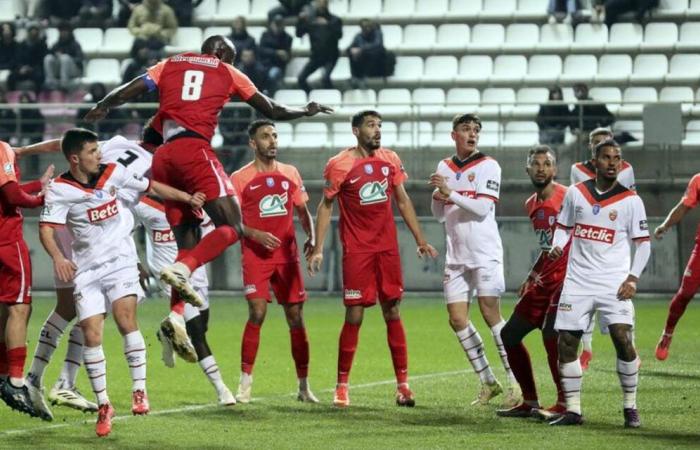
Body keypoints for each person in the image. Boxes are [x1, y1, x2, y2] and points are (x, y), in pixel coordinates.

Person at [83, 35, 332, 313]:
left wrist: (104, 104)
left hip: (163, 159)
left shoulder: (171, 63)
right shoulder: (226, 70)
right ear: (223, 54)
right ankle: (182, 270)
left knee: (186, 243)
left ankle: (176, 317)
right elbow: (272, 108)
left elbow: (132, 88)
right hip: (194, 151)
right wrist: (305, 111)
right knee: (232, 226)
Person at [38, 128, 205, 437]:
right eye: (91, 152)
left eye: (97, 150)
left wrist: (187, 197)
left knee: (125, 318)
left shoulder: (113, 172)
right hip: (87, 269)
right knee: (91, 333)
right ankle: (104, 405)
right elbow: (47, 229)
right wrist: (59, 258)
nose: (98, 155)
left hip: (121, 262)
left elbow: (152, 186)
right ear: (75, 158)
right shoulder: (60, 190)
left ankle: (139, 391)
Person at [307, 110, 438, 407]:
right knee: (354, 314)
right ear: (355, 131)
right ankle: (342, 385)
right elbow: (326, 205)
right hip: (358, 250)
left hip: (387, 249)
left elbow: (402, 199)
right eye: (370, 125)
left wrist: (419, 239)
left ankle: (403, 385)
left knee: (392, 310)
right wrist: (317, 247)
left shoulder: (390, 158)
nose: (377, 130)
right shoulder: (339, 164)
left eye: (380, 125)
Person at [548, 139, 650, 427]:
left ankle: (630, 406)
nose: (613, 162)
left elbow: (643, 245)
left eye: (617, 157)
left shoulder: (631, 200)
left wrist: (632, 277)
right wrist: (558, 244)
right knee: (567, 344)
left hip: (613, 282)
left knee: (622, 338)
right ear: (594, 162)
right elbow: (564, 227)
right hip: (578, 281)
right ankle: (574, 411)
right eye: (607, 157)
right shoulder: (576, 193)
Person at [429, 113, 521, 407]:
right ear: (453, 134)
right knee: (457, 319)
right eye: (466, 129)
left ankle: (516, 382)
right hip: (456, 256)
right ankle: (488, 382)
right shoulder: (445, 166)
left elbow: (482, 209)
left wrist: (450, 193)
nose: (472, 134)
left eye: (476, 130)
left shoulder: (489, 165)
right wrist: (437, 196)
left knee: (490, 313)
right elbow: (439, 215)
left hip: (484, 253)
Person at [231, 119, 318, 404]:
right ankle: (245, 384)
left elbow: (303, 209)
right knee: (257, 312)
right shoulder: (239, 178)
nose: (272, 141)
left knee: (296, 317)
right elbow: (231, 220)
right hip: (256, 256)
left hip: (287, 257)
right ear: (253, 144)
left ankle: (304, 387)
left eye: (275, 135)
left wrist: (312, 237)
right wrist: (254, 233)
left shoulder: (290, 172)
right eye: (266, 136)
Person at [495, 146, 567, 420]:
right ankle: (530, 401)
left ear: (554, 169)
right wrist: (531, 276)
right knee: (509, 334)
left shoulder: (569, 197)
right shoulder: (531, 204)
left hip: (567, 281)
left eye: (546, 163)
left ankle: (563, 403)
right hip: (545, 281)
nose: (540, 168)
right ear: (527, 169)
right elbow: (547, 246)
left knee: (552, 336)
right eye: (535, 164)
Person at [570, 126, 636, 370]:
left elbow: (631, 198)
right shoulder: (577, 169)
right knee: (583, 296)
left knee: (621, 293)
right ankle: (586, 349)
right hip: (587, 238)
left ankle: (631, 343)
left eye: (606, 141)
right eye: (596, 142)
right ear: (591, 147)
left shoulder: (626, 169)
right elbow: (575, 199)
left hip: (614, 236)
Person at [0, 139, 54, 420]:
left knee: (4, 310)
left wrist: (37, 184)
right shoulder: (0, 148)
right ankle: (16, 381)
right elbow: (11, 196)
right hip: (6, 241)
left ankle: (1, 374)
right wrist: (41, 198)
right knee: (20, 307)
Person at [653, 172, 700, 361]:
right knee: (685, 293)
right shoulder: (698, 180)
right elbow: (684, 206)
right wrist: (665, 225)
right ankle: (667, 334)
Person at [295, 0, 342, 93]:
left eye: (323, 2)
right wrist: (300, 21)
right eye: (318, 2)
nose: (320, 5)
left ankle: (332, 97)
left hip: (330, 56)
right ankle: (313, 96)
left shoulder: (335, 20)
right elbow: (299, 34)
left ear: (327, 4)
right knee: (301, 79)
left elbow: (339, 35)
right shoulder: (311, 20)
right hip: (316, 56)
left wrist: (327, 25)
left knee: (325, 78)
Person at [43, 21, 84, 92]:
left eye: (65, 31)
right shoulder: (56, 44)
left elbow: (79, 59)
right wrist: (56, 56)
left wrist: (65, 56)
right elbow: (50, 54)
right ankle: (50, 82)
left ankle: (64, 84)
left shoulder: (75, 44)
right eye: (61, 31)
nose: (63, 33)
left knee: (65, 58)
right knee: (48, 58)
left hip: (74, 70)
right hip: (59, 69)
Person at [258, 15, 292, 96]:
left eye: (280, 25)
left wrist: (285, 56)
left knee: (272, 74)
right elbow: (261, 50)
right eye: (276, 24)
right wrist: (276, 53)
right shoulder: (265, 35)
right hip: (263, 64)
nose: (277, 27)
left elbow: (287, 56)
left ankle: (269, 96)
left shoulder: (287, 38)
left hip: (277, 66)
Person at [8, 22, 47, 92]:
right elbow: (17, 59)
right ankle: (12, 96)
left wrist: (32, 69)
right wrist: (21, 67)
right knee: (11, 76)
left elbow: (42, 61)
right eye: (31, 30)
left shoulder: (42, 45)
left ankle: (37, 97)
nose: (33, 33)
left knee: (40, 77)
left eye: (35, 31)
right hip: (22, 69)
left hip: (34, 70)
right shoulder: (21, 45)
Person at [346, 19, 386, 88]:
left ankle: (363, 77)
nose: (367, 28)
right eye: (364, 27)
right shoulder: (358, 36)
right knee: (353, 53)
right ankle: (355, 77)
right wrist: (351, 50)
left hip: (376, 61)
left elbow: (378, 45)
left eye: (368, 26)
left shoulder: (377, 33)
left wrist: (361, 49)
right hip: (362, 60)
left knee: (367, 54)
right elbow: (350, 47)